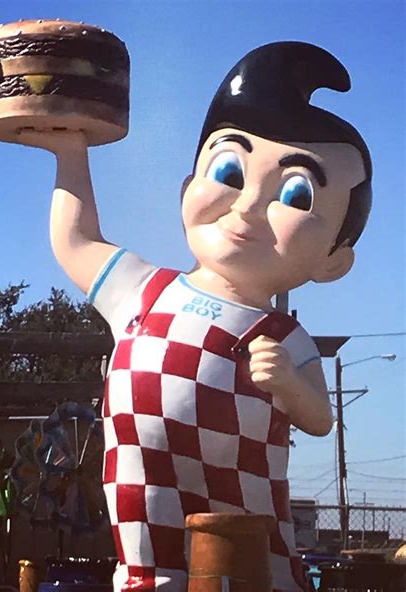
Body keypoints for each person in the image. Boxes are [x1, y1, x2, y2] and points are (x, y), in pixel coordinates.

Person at [19, 41, 371, 592]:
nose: (248, 204)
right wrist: (71, 154)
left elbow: (320, 418)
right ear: (189, 188)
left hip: (252, 556)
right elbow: (75, 238)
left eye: (295, 194)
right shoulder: (141, 290)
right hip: (146, 545)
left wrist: (287, 384)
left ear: (334, 261)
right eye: (229, 169)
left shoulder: (283, 334)